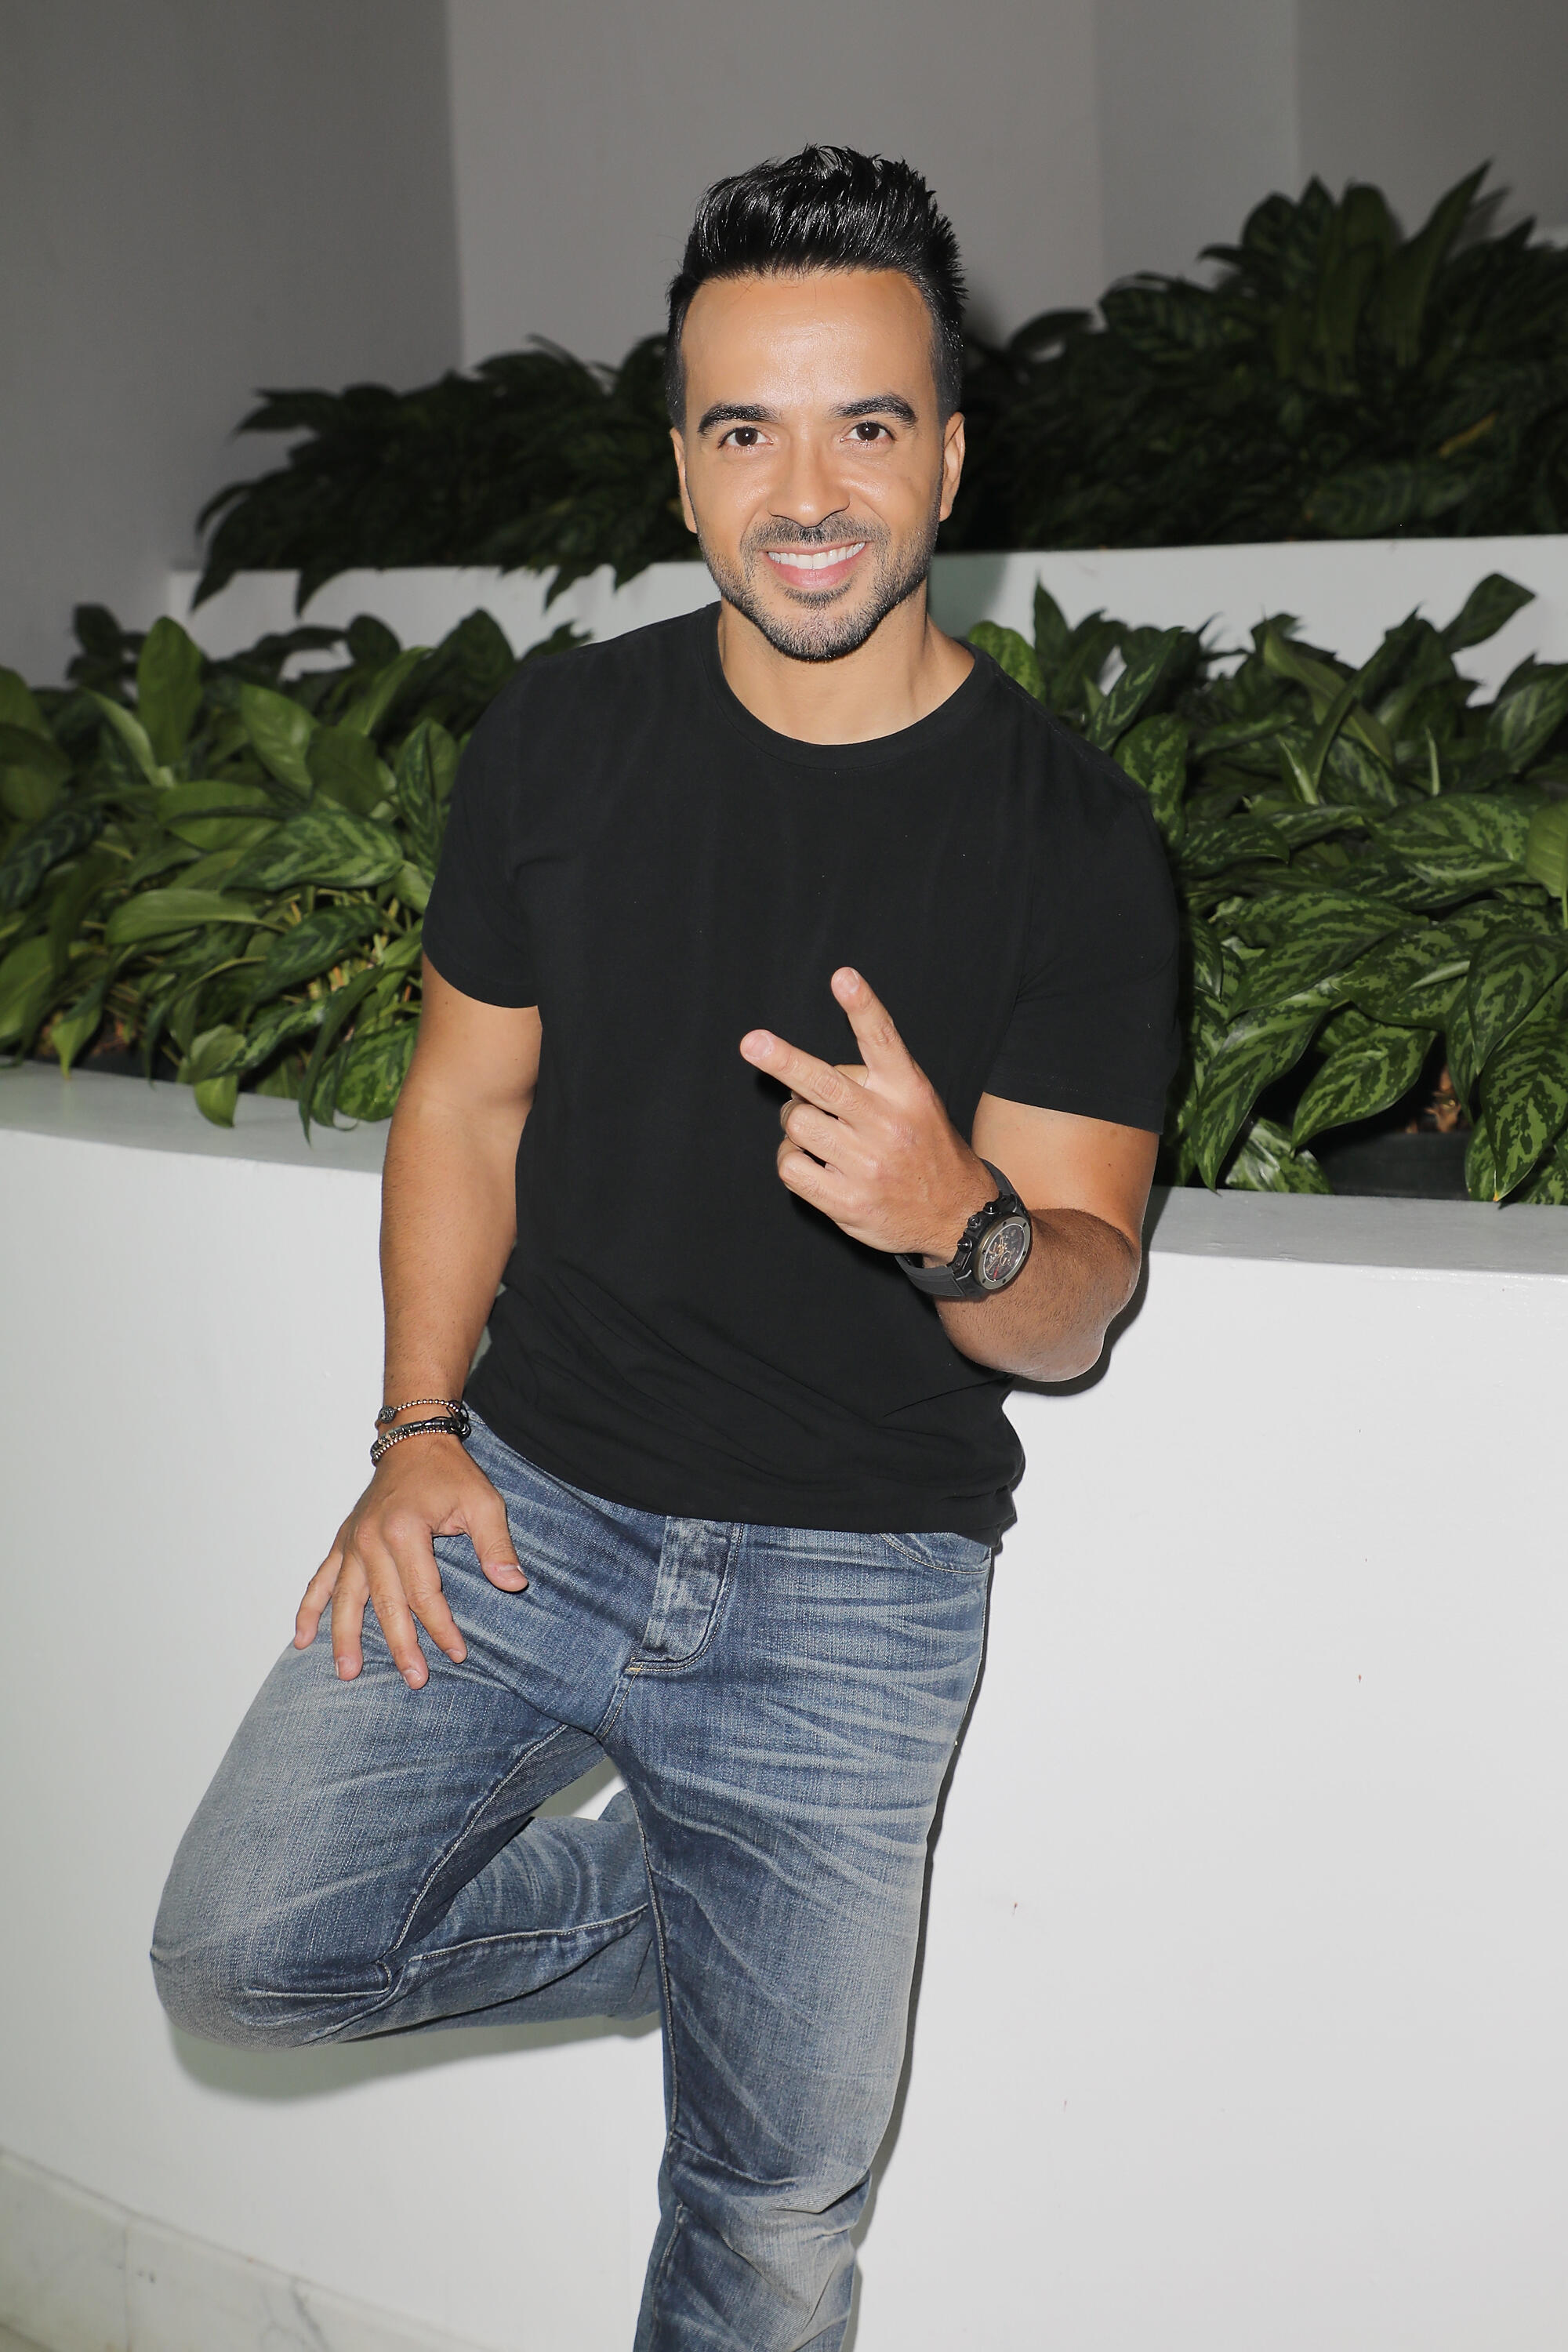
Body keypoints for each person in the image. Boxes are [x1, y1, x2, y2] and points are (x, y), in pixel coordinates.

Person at [153, 145, 1178, 2350]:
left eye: (865, 424)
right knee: (251, 1949)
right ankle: (714, 1909)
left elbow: (1077, 1306)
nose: (806, 490)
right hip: (529, 1505)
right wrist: (419, 1425)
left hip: (857, 1589)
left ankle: (763, 1900)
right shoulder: (565, 740)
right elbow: (465, 1099)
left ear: (951, 456)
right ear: (686, 465)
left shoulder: (1075, 840)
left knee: (774, 2216)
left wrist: (957, 1220)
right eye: (746, 430)